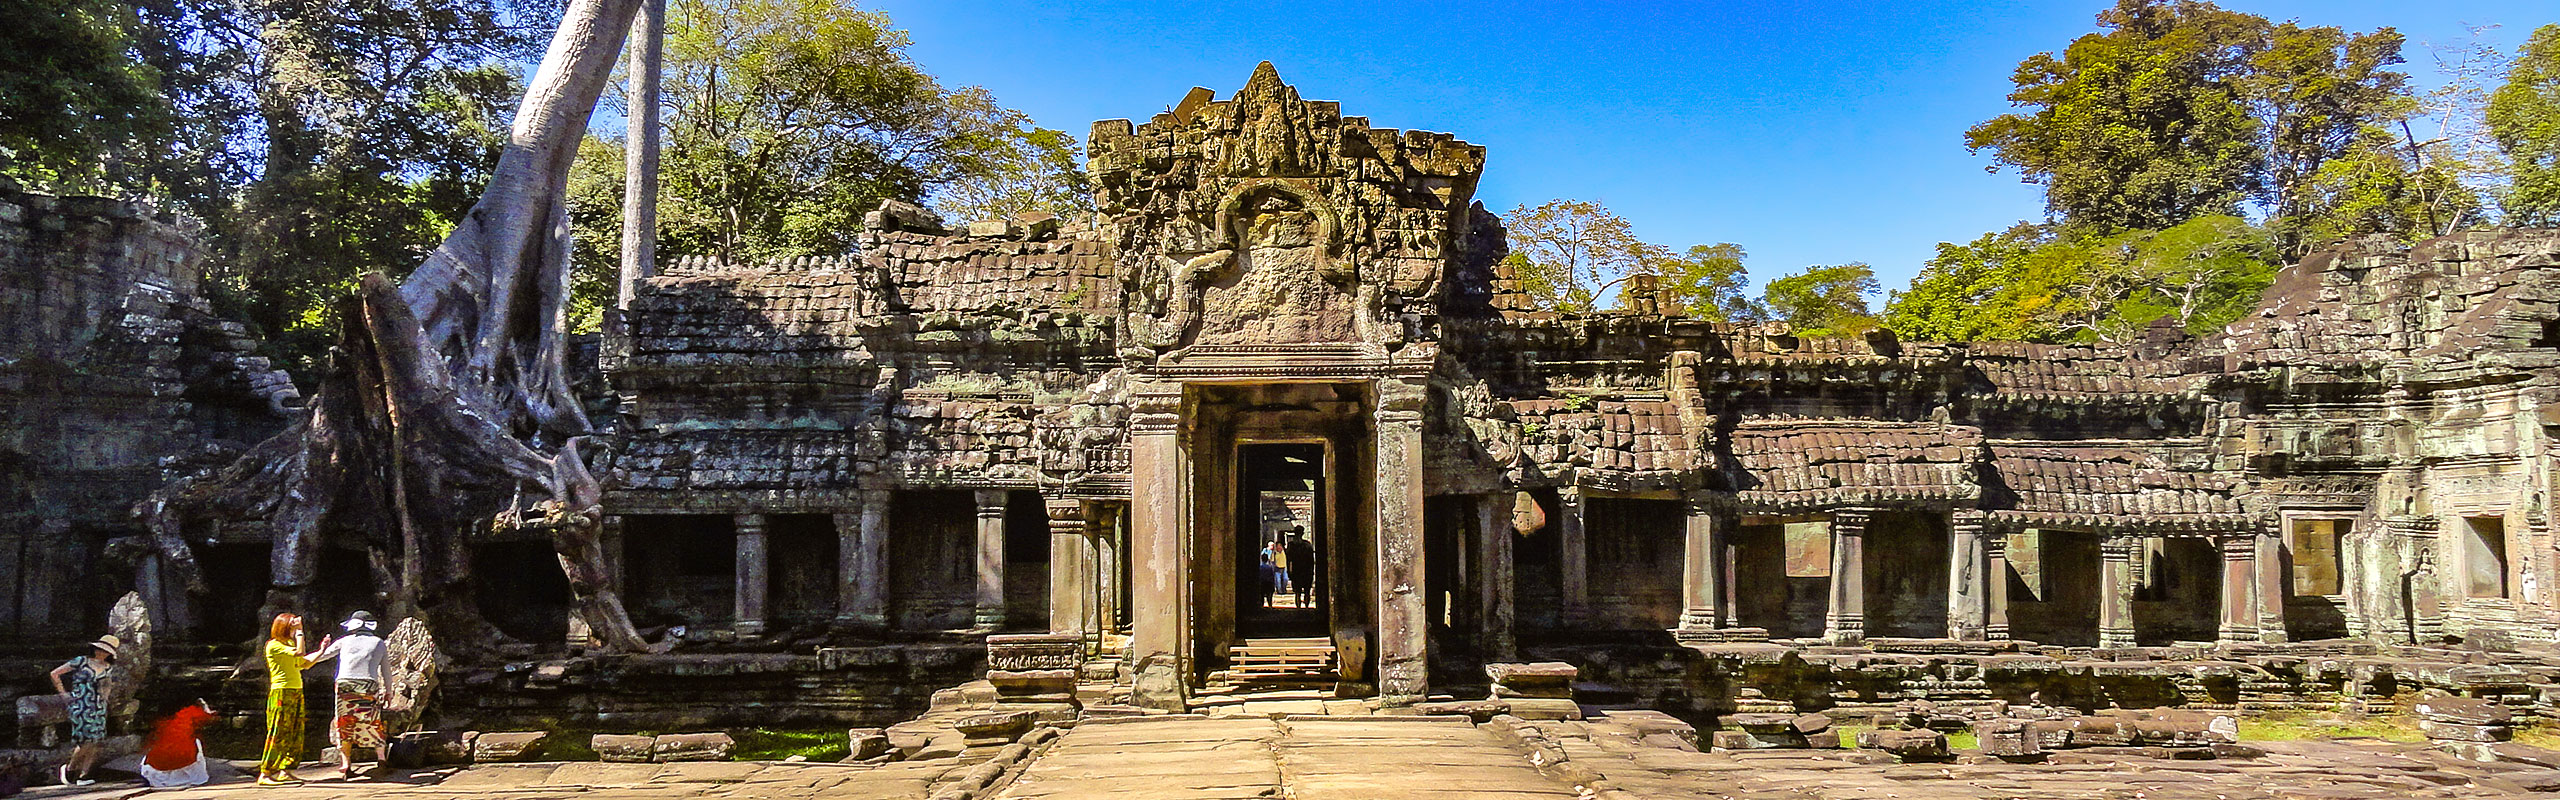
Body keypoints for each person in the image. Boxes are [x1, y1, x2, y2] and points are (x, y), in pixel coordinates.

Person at [313, 611, 388, 780]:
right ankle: (381, 759)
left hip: (344, 685)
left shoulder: (344, 641)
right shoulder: (379, 642)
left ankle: (346, 764)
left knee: (344, 722)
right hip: (369, 685)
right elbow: (386, 670)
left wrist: (304, 659)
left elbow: (321, 656)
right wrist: (389, 691)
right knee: (373, 721)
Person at [259, 613, 331, 786]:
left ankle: (285, 770)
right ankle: (266, 773)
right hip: (281, 692)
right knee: (278, 732)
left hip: (296, 691)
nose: (295, 628)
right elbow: (300, 652)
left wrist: (321, 651)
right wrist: (300, 632)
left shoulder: (289, 644)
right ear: (284, 627)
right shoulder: (273, 645)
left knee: (295, 732)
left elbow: (304, 663)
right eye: (292, 625)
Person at [45, 633, 118, 786]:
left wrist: (105, 700)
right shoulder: (81, 661)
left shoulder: (107, 668)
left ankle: (84, 775)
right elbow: (55, 674)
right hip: (81, 704)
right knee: (85, 740)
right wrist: (63, 694)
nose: (101, 653)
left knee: (95, 741)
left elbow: (107, 686)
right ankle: (70, 769)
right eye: (99, 649)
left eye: (104, 651)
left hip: (98, 706)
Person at [140, 699, 216, 788]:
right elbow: (209, 716)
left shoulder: (159, 719)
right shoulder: (190, 711)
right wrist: (203, 704)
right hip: (184, 759)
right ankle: (187, 776)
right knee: (196, 742)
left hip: (158, 764)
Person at [1285, 529, 1315, 605]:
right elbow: (1311, 560)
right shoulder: (1307, 545)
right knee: (1306, 591)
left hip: (1297, 570)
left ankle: (1299, 607)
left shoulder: (1291, 545)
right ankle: (1306, 607)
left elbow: (1288, 560)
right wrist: (1312, 571)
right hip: (1306, 571)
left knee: (1298, 592)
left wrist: (1289, 571)